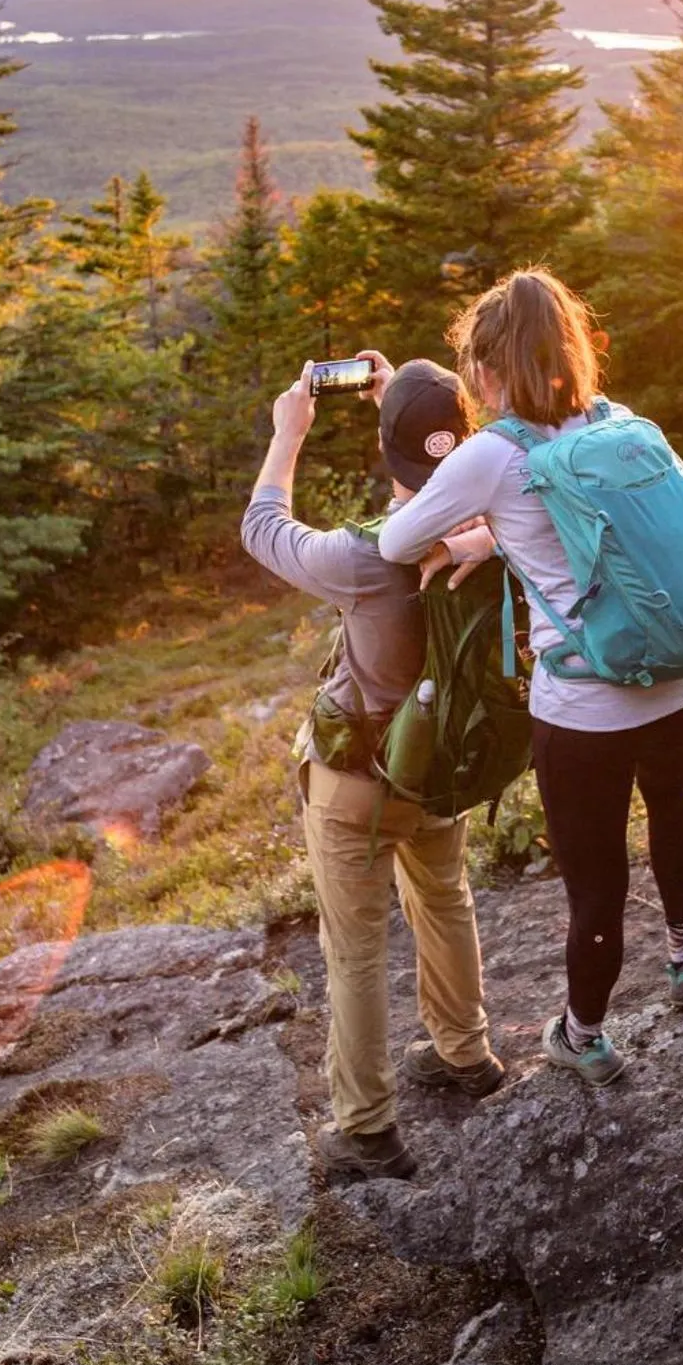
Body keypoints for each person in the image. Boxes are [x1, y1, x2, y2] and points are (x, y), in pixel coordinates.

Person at [378, 270, 683, 1087]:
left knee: (596, 881)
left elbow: (394, 544)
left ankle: (583, 1037)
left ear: (486, 370)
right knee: (672, 793)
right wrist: (496, 541)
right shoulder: (623, 425)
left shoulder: (489, 455)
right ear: (572, 348)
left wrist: (470, 531)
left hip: (587, 703)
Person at [241, 353, 504, 1183]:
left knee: (355, 951)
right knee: (444, 899)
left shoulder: (361, 559)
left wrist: (289, 436)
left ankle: (368, 1130)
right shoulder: (502, 522)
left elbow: (260, 526)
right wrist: (412, 405)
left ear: (387, 455)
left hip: (357, 781)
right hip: (442, 768)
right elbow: (440, 456)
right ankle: (466, 1054)